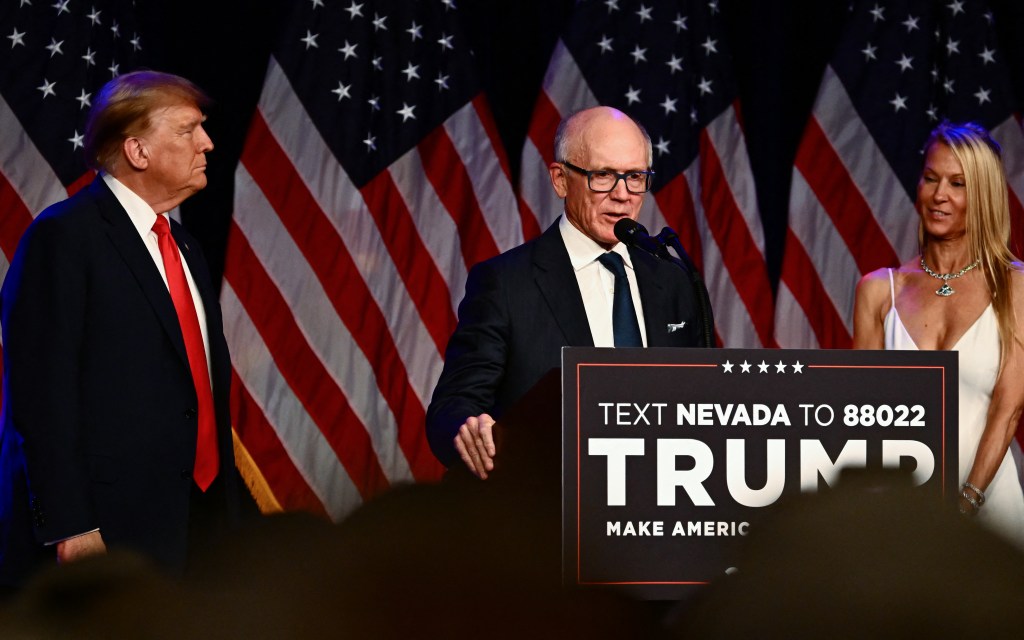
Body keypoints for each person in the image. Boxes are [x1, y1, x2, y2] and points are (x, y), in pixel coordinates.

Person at [0, 70, 240, 588]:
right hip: (109, 530)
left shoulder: (186, 247)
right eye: (188, 129)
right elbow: (41, 397)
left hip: (198, 524)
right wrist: (72, 526)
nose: (207, 143)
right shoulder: (64, 237)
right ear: (137, 150)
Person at [426, 106, 709, 479]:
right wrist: (471, 431)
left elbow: (701, 403)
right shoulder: (507, 283)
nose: (623, 195)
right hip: (544, 510)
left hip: (657, 504)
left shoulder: (673, 279)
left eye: (636, 176)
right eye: (603, 176)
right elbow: (454, 406)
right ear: (560, 179)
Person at [853, 121, 1024, 547]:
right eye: (931, 178)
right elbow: (860, 419)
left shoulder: (1016, 286)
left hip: (989, 515)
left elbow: (1008, 411)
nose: (939, 195)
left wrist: (963, 508)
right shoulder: (878, 290)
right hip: (899, 518)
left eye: (957, 183)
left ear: (982, 195)